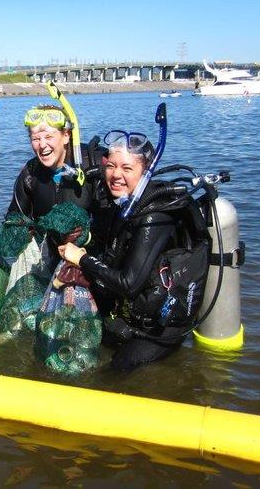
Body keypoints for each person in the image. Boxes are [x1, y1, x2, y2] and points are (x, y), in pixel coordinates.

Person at [57, 130, 209, 371]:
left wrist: (82, 259)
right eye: (111, 166)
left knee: (115, 370)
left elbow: (129, 283)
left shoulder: (154, 214)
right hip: (132, 311)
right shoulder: (123, 203)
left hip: (163, 325)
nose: (116, 175)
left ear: (145, 170)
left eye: (127, 169)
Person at [8, 104, 94, 265]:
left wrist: (87, 236)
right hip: (52, 260)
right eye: (35, 138)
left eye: (48, 137)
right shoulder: (30, 173)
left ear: (66, 135)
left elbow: (116, 223)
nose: (42, 145)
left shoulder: (91, 165)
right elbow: (14, 219)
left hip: (92, 261)